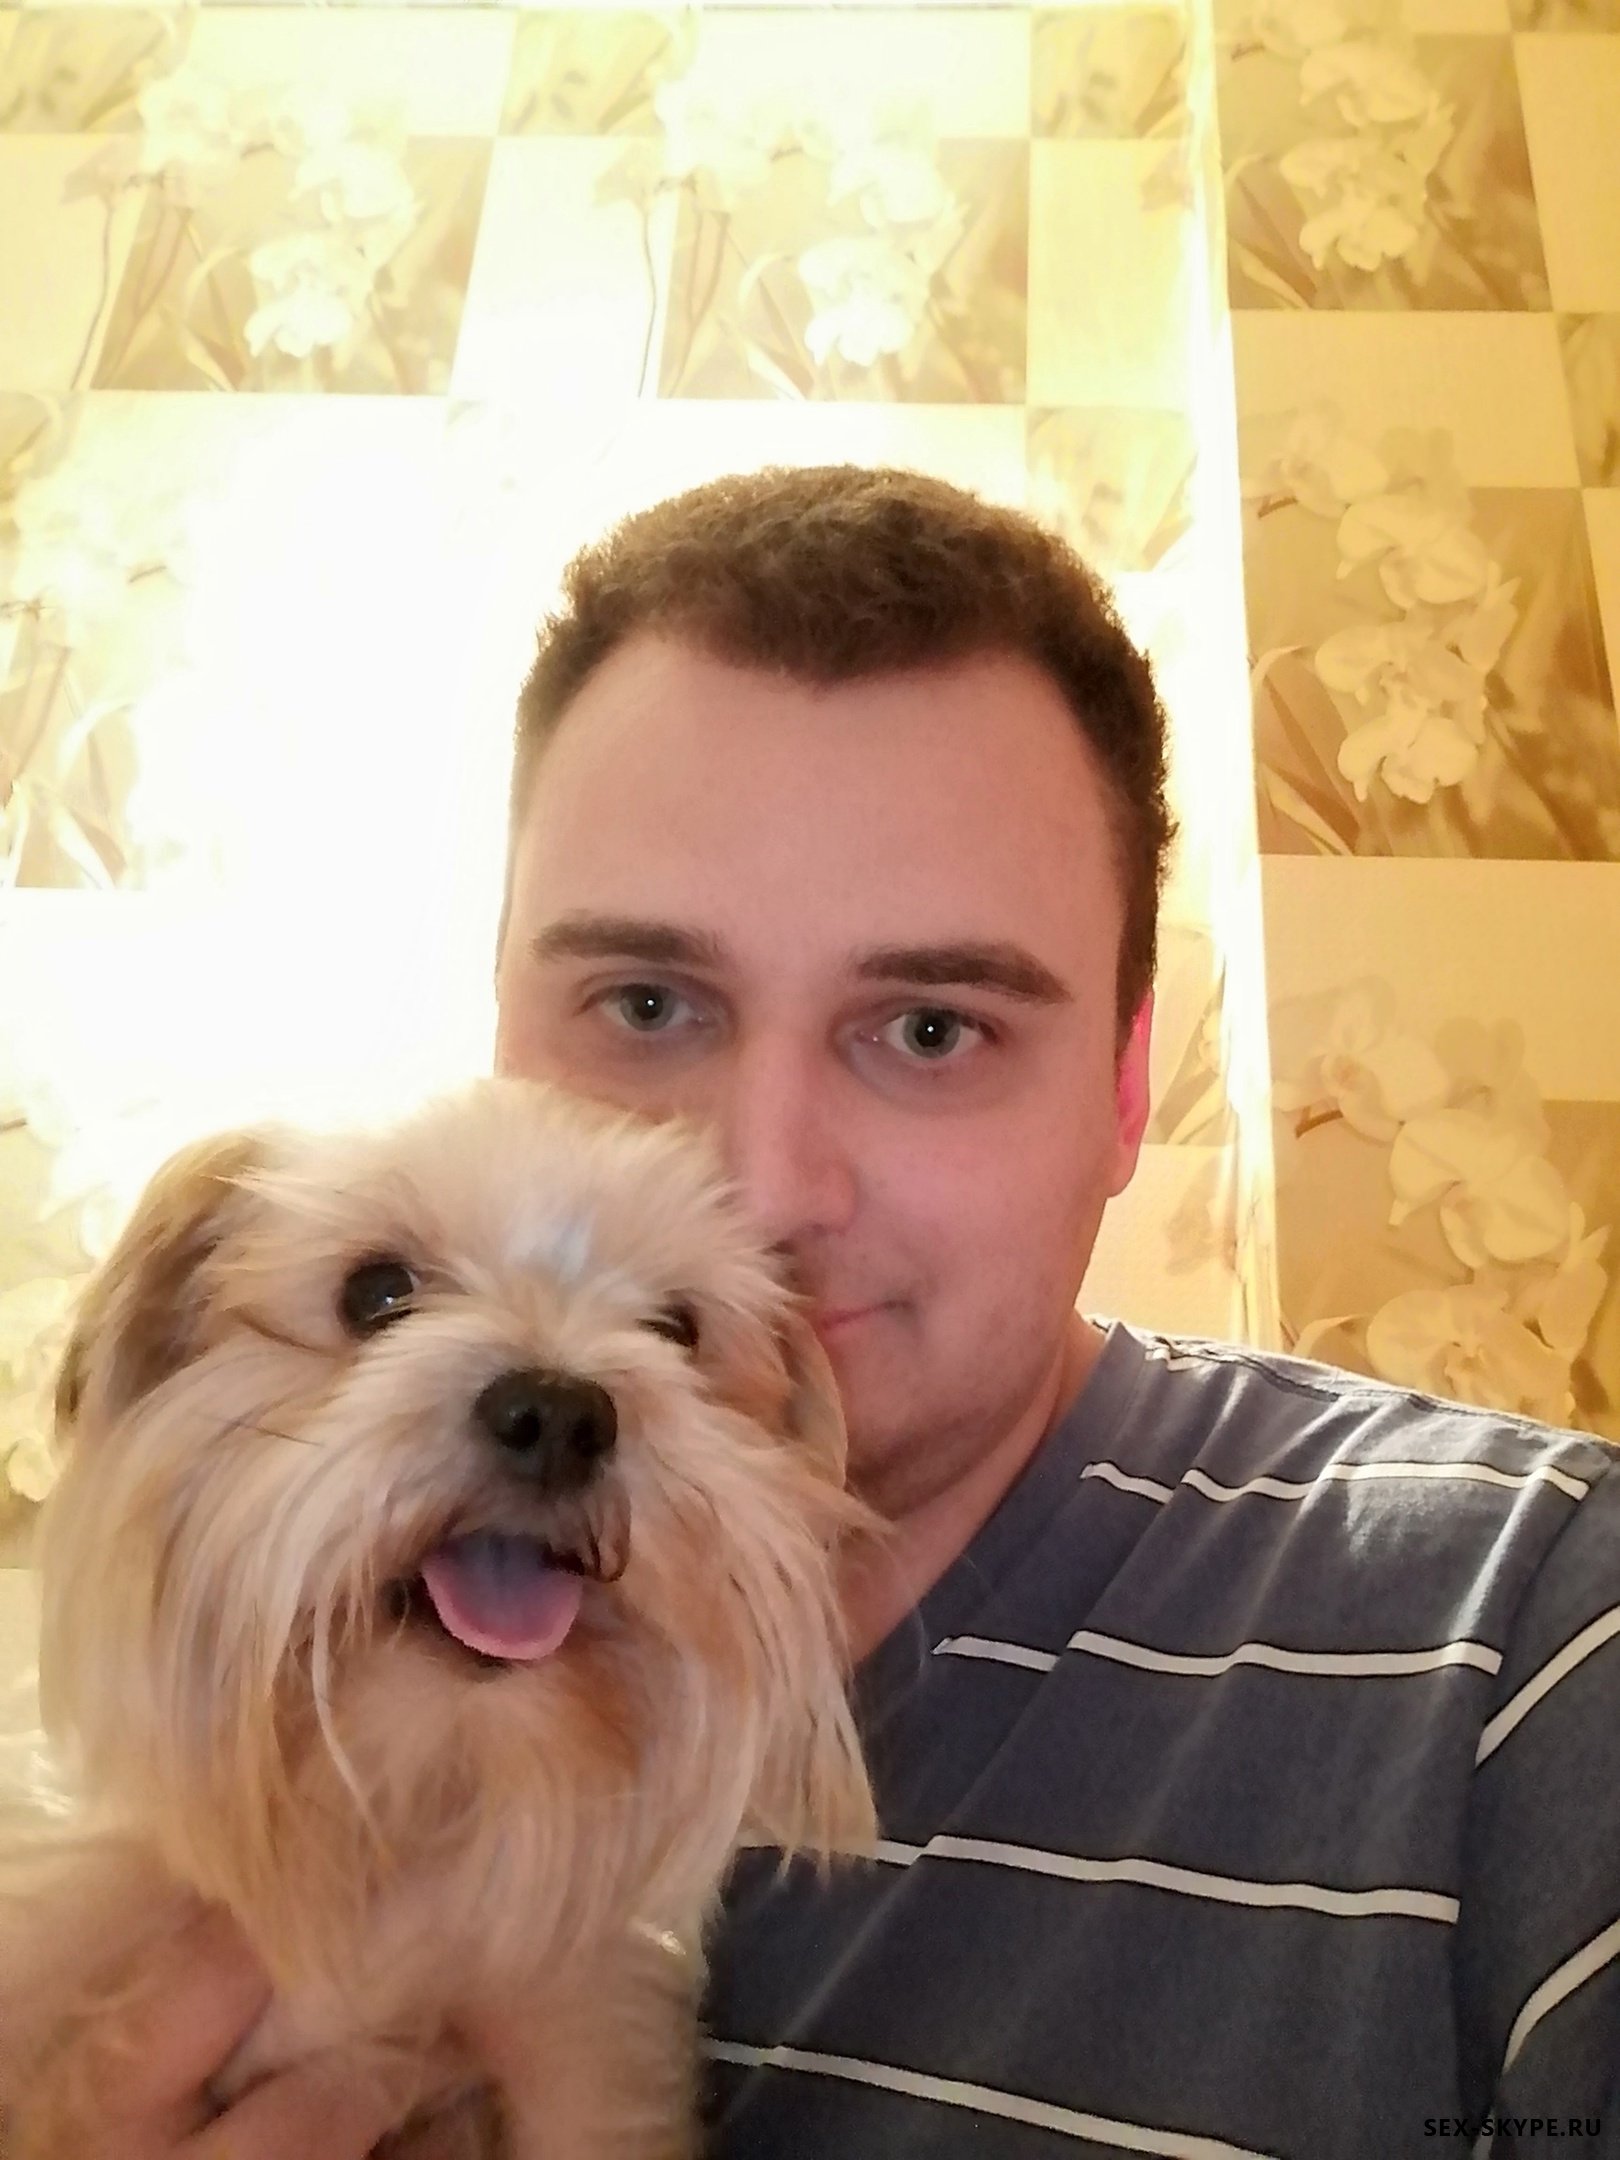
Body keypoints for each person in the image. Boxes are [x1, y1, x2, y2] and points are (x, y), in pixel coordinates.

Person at [71, 466, 1620, 2158]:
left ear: (1126, 1090)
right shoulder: (211, 1717)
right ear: (498, 1007)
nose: (762, 1186)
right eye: (644, 1003)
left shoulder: (1536, 1638)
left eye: (935, 1030)